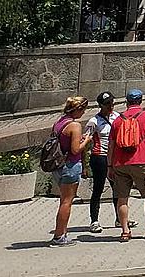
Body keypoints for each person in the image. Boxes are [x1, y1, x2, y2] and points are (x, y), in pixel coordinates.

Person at [107, 89, 145, 240]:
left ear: (126, 102)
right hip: (141, 161)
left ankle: (125, 231)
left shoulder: (117, 120)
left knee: (122, 197)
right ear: (141, 101)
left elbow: (111, 146)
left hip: (120, 163)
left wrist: (110, 165)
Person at [84, 91, 134, 234]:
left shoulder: (117, 117)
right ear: (100, 105)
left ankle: (120, 218)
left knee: (118, 188)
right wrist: (84, 164)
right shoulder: (94, 121)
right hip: (99, 157)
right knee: (98, 189)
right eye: (107, 104)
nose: (111, 106)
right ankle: (94, 220)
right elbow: (85, 142)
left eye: (112, 102)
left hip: (115, 157)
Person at [48, 95, 90, 246]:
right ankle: (59, 236)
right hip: (70, 166)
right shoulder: (74, 125)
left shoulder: (59, 122)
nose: (84, 113)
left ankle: (62, 232)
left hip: (58, 166)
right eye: (83, 110)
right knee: (66, 202)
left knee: (63, 200)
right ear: (78, 109)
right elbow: (75, 149)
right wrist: (86, 140)